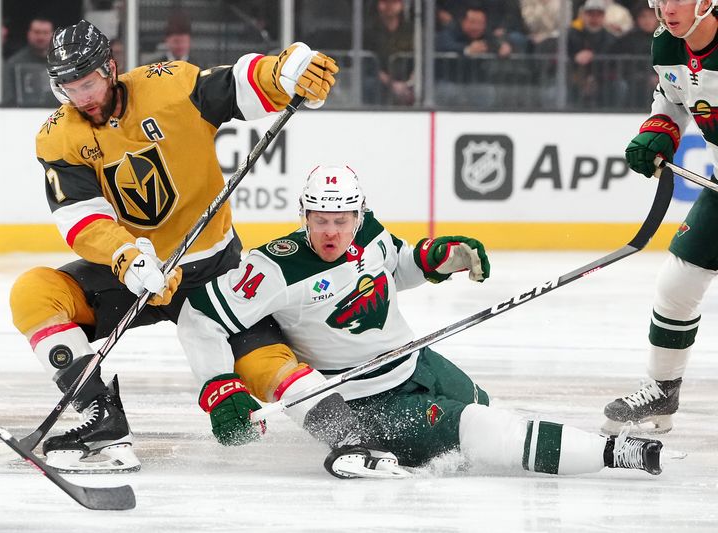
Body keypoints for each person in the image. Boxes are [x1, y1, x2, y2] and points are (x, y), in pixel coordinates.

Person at [181, 165, 665, 478]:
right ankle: (616, 453)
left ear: (359, 214)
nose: (331, 231)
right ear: (304, 215)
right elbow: (199, 317)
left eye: (342, 218)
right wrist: (219, 389)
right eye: (321, 219)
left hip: (417, 363)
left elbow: (398, 267)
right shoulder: (275, 268)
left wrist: (439, 258)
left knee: (487, 409)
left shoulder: (369, 233)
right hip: (364, 399)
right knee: (482, 429)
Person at [13, 19, 338, 473]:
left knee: (264, 365)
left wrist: (283, 74)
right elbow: (81, 217)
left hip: (214, 273)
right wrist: (126, 257)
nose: (80, 97)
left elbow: (237, 85)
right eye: (67, 87)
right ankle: (102, 418)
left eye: (86, 83)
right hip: (136, 274)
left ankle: (346, 433)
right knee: (34, 294)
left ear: (110, 68)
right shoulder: (58, 136)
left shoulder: (168, 87)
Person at [603, 0, 718, 434]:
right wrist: (659, 131)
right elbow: (672, 99)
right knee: (677, 283)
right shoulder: (668, 45)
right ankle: (662, 390)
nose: (667, 8)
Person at [3, 16, 57, 107]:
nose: (41, 37)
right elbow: (8, 97)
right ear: (29, 34)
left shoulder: (62, 62)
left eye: (45, 33)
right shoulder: (15, 63)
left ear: (53, 35)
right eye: (37, 32)